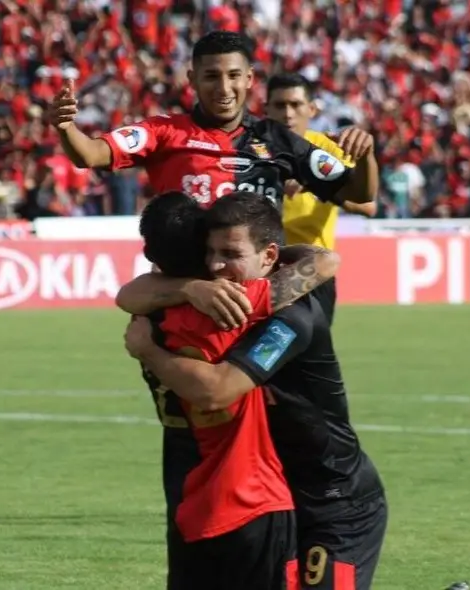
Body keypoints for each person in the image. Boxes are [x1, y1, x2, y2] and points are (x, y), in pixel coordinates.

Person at [123, 191, 387, 590]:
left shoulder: (292, 314)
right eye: (209, 252)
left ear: (269, 257)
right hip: (275, 489)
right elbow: (130, 292)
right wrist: (192, 287)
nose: (215, 266)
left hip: (333, 495)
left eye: (230, 254)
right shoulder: (215, 302)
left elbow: (219, 389)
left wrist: (149, 350)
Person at [48, 31, 378, 211]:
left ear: (249, 79)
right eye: (211, 76)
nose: (224, 88)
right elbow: (90, 154)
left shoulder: (277, 138)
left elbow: (360, 194)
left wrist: (366, 157)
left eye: (234, 76)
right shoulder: (164, 131)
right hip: (187, 286)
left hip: (257, 296)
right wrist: (66, 127)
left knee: (317, 269)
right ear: (191, 78)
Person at [265, 73, 377, 322]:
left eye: (295, 105)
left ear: (312, 109)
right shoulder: (253, 150)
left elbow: (368, 205)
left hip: (312, 272)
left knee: (312, 357)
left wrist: (316, 183)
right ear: (266, 110)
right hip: (262, 272)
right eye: (280, 105)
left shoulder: (325, 150)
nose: (288, 113)